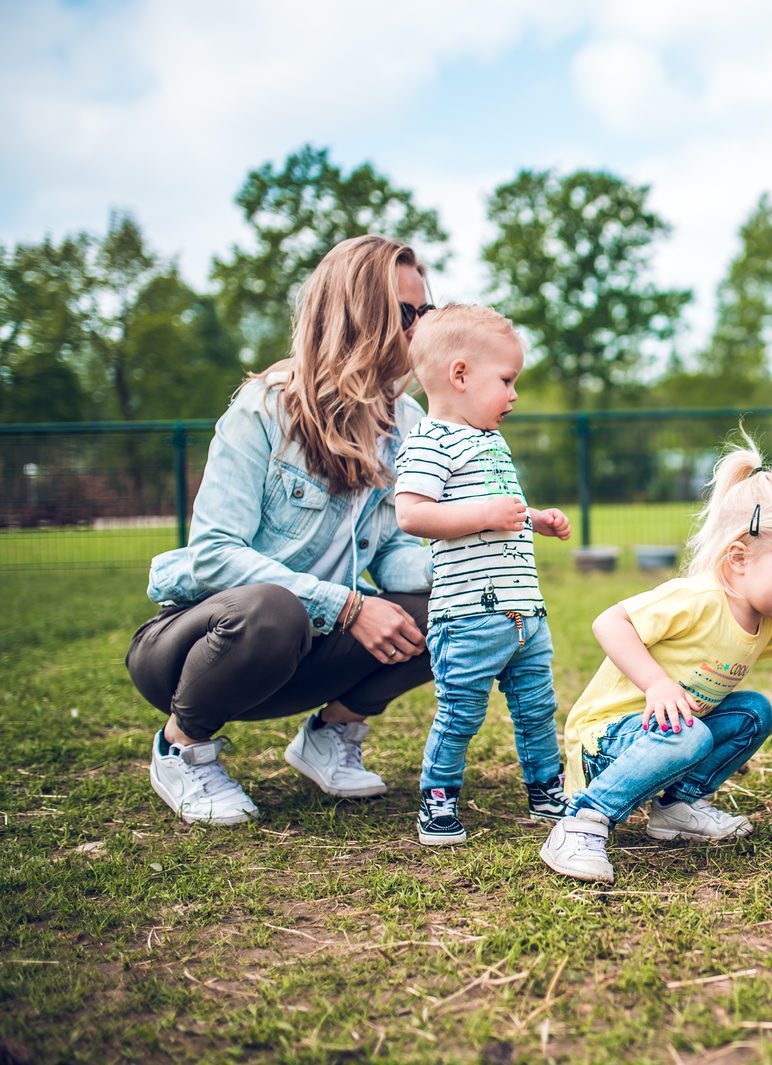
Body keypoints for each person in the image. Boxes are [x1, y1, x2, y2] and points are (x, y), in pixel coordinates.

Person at [127, 235, 436, 825]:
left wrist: (469, 559)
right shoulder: (263, 408)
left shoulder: (406, 422)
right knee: (274, 607)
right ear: (356, 316)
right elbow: (215, 555)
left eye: (425, 312)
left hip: (304, 653)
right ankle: (181, 748)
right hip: (201, 648)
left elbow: (395, 550)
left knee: (452, 603)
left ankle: (331, 734)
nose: (419, 330)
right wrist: (347, 606)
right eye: (404, 314)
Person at [540, 433, 772, 884]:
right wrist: (656, 684)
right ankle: (582, 823)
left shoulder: (765, 621)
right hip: (606, 743)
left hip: (673, 738)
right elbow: (609, 623)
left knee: (754, 712)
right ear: (739, 558)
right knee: (690, 735)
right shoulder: (698, 598)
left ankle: (675, 808)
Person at [392, 304, 572, 845]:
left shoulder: (490, 440)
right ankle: (438, 802)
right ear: (461, 375)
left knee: (537, 708)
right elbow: (412, 515)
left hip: (524, 613)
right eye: (507, 380)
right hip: (468, 617)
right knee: (460, 715)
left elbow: (498, 506)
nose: (514, 395)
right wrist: (486, 514)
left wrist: (533, 519)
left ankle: (546, 790)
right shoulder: (429, 441)